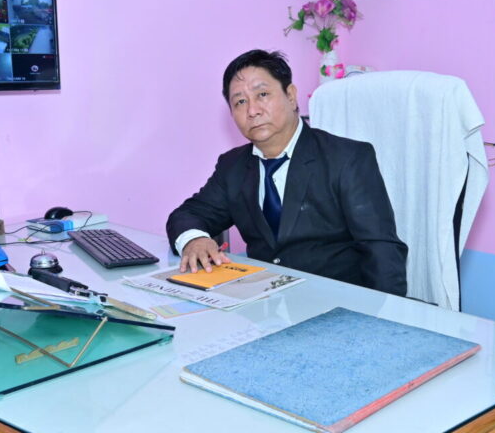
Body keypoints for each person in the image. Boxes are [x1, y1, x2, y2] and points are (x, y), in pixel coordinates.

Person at [166, 49, 407, 296]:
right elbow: (188, 214)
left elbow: (381, 251)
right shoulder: (233, 166)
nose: (252, 110)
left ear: (290, 96)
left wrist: (384, 314)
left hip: (336, 303)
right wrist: (194, 239)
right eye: (240, 102)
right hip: (263, 303)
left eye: (262, 94)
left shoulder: (346, 158)